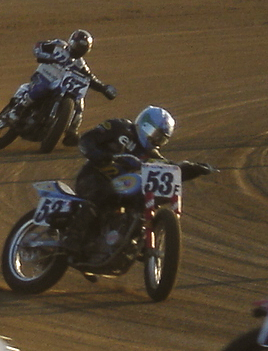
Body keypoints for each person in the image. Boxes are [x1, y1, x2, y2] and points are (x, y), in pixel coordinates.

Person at [71, 106, 214, 248]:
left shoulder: (152, 156)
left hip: (123, 185)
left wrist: (193, 168)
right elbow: (86, 139)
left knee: (138, 199)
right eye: (154, 134)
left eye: (161, 139)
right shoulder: (119, 127)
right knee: (101, 195)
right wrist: (98, 155)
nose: (155, 140)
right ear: (144, 125)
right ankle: (73, 238)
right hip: (93, 176)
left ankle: (128, 234)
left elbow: (170, 169)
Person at [6, 29, 116, 146]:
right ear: (72, 43)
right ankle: (18, 109)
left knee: (79, 101)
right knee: (42, 88)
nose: (79, 51)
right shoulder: (59, 46)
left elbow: (91, 78)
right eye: (78, 47)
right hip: (45, 76)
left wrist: (104, 88)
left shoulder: (81, 64)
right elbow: (39, 45)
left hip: (62, 86)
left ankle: (72, 130)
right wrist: (44, 56)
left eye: (82, 49)